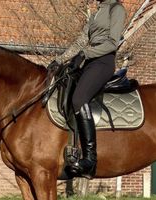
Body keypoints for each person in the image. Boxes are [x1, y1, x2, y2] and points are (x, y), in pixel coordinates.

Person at [50, 0, 126, 179]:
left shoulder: (116, 9)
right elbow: (80, 42)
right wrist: (59, 61)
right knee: (66, 90)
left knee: (79, 99)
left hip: (103, 62)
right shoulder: (96, 13)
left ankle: (90, 159)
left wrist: (85, 54)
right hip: (90, 63)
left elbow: (112, 43)